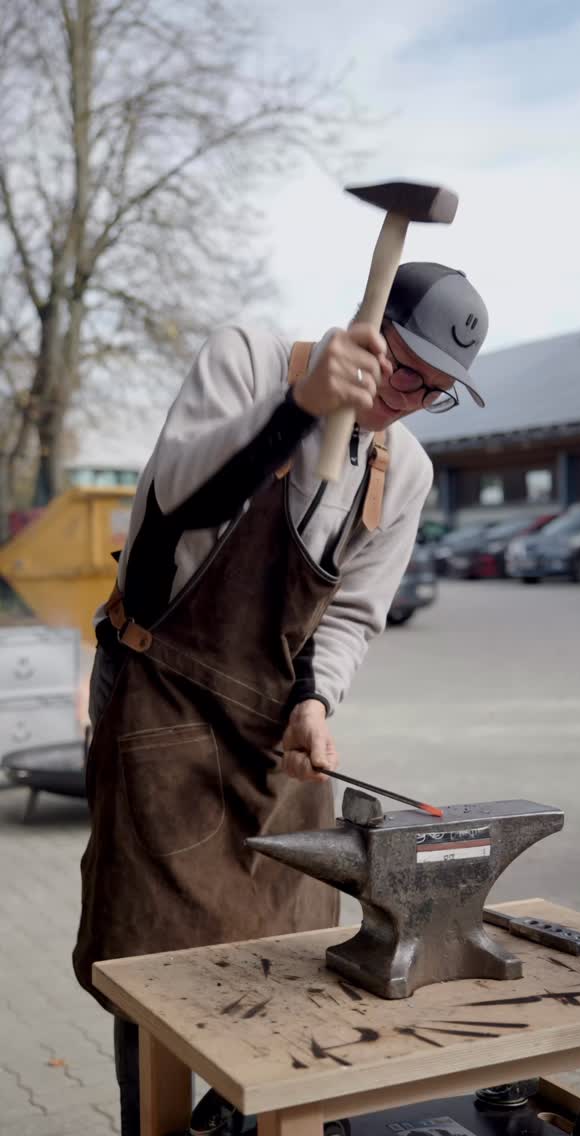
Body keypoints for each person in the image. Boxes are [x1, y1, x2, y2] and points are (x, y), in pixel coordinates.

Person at [73, 262, 489, 1136]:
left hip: (275, 734)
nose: (410, 398)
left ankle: (242, 1122)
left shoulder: (402, 469)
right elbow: (178, 499)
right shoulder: (251, 363)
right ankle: (148, 1121)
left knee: (291, 953)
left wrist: (318, 703)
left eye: (437, 391)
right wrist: (299, 406)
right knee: (152, 955)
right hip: (162, 698)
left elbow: (351, 616)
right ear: (369, 326)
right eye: (404, 370)